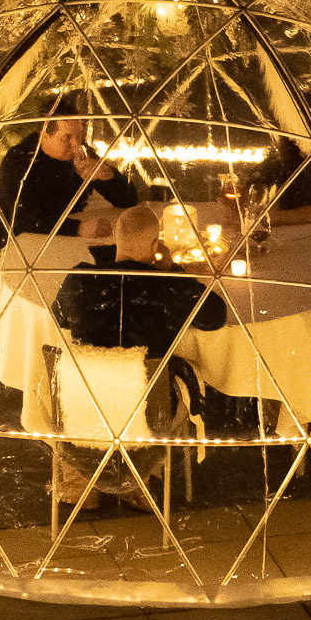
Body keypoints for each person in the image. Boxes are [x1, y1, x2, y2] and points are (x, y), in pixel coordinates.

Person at [47, 206, 227, 506]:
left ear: (115, 238)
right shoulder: (168, 285)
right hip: (147, 410)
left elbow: (59, 317)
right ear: (158, 245)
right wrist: (174, 271)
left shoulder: (80, 277)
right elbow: (215, 318)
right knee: (175, 382)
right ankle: (137, 475)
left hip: (81, 404)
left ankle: (85, 475)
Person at [0, 99, 138, 249]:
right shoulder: (19, 159)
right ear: (45, 135)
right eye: (66, 138)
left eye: (79, 135)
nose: (76, 144)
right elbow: (22, 218)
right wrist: (78, 228)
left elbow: (129, 201)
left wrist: (107, 175)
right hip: (16, 243)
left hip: (64, 240)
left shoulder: (81, 153)